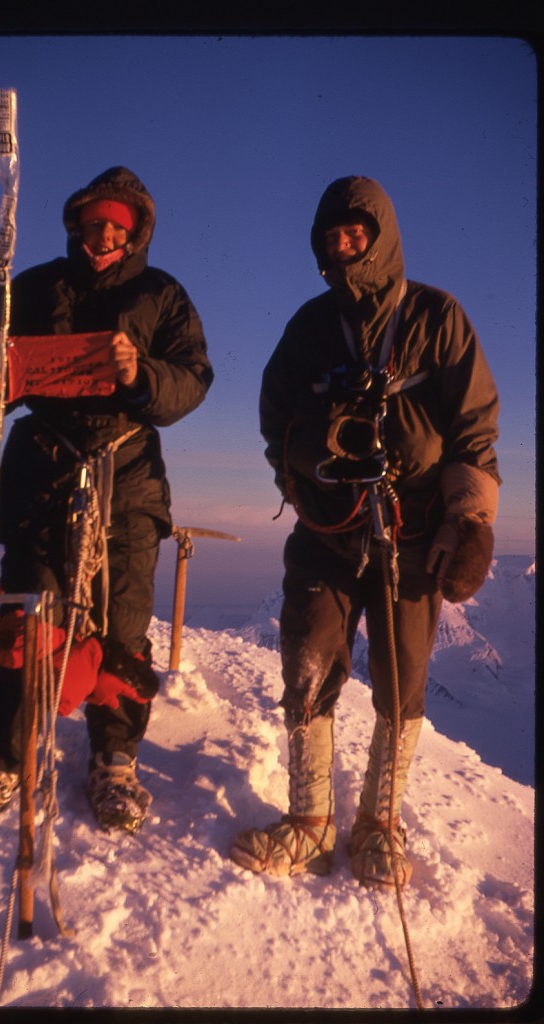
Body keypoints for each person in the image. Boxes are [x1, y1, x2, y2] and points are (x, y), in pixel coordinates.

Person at [230, 176, 499, 888]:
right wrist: (298, 481)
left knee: (403, 679)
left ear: (381, 236)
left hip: (411, 532)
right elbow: (274, 413)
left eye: (356, 232)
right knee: (307, 660)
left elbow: (474, 428)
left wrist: (468, 521)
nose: (343, 245)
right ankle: (310, 825)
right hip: (327, 528)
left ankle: (380, 824)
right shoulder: (310, 329)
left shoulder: (436, 318)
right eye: (331, 235)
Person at [0, 166, 213, 832]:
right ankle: (4, 755)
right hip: (43, 468)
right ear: (76, 226)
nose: (103, 235)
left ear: (134, 235)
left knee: (123, 622)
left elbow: (191, 381)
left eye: (116, 228)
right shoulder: (33, 287)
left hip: (127, 471)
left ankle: (115, 759)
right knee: (27, 618)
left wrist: (140, 373)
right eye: (93, 223)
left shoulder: (162, 295)